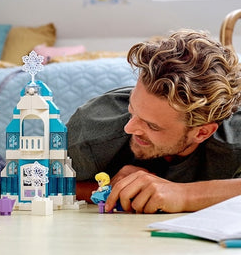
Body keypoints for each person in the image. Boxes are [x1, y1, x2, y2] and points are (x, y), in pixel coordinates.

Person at [67, 29, 241, 214]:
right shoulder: (94, 127)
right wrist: (107, 189)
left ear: (202, 132)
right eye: (132, 110)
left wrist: (184, 195)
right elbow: (43, 181)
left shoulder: (234, 140)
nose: (129, 128)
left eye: (152, 126)